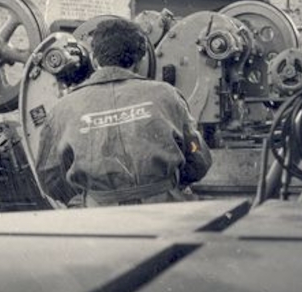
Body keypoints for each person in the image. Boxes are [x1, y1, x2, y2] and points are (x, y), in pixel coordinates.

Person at [35, 18, 212, 207]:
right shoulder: (167, 96)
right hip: (163, 209)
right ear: (141, 59)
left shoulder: (63, 108)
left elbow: (49, 175)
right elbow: (198, 158)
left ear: (94, 60)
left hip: (96, 217)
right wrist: (166, 185)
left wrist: (91, 197)